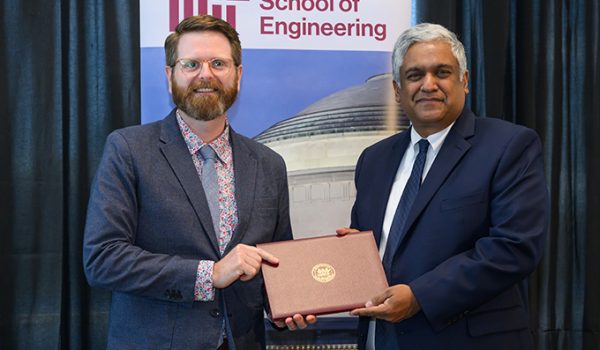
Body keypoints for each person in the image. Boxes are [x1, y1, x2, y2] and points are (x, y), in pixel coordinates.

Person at [83, 15, 314, 350]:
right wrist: (209, 274)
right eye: (191, 63)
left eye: (218, 63)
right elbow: (103, 259)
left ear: (238, 74)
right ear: (170, 75)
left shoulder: (268, 164)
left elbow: (274, 264)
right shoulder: (128, 150)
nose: (205, 74)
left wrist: (285, 308)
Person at [336, 23, 549, 349]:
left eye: (442, 72)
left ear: (464, 81)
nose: (428, 85)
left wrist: (420, 296)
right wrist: (355, 254)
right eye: (414, 75)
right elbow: (372, 249)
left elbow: (514, 247)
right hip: (381, 339)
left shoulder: (509, 146)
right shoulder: (373, 160)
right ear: (397, 89)